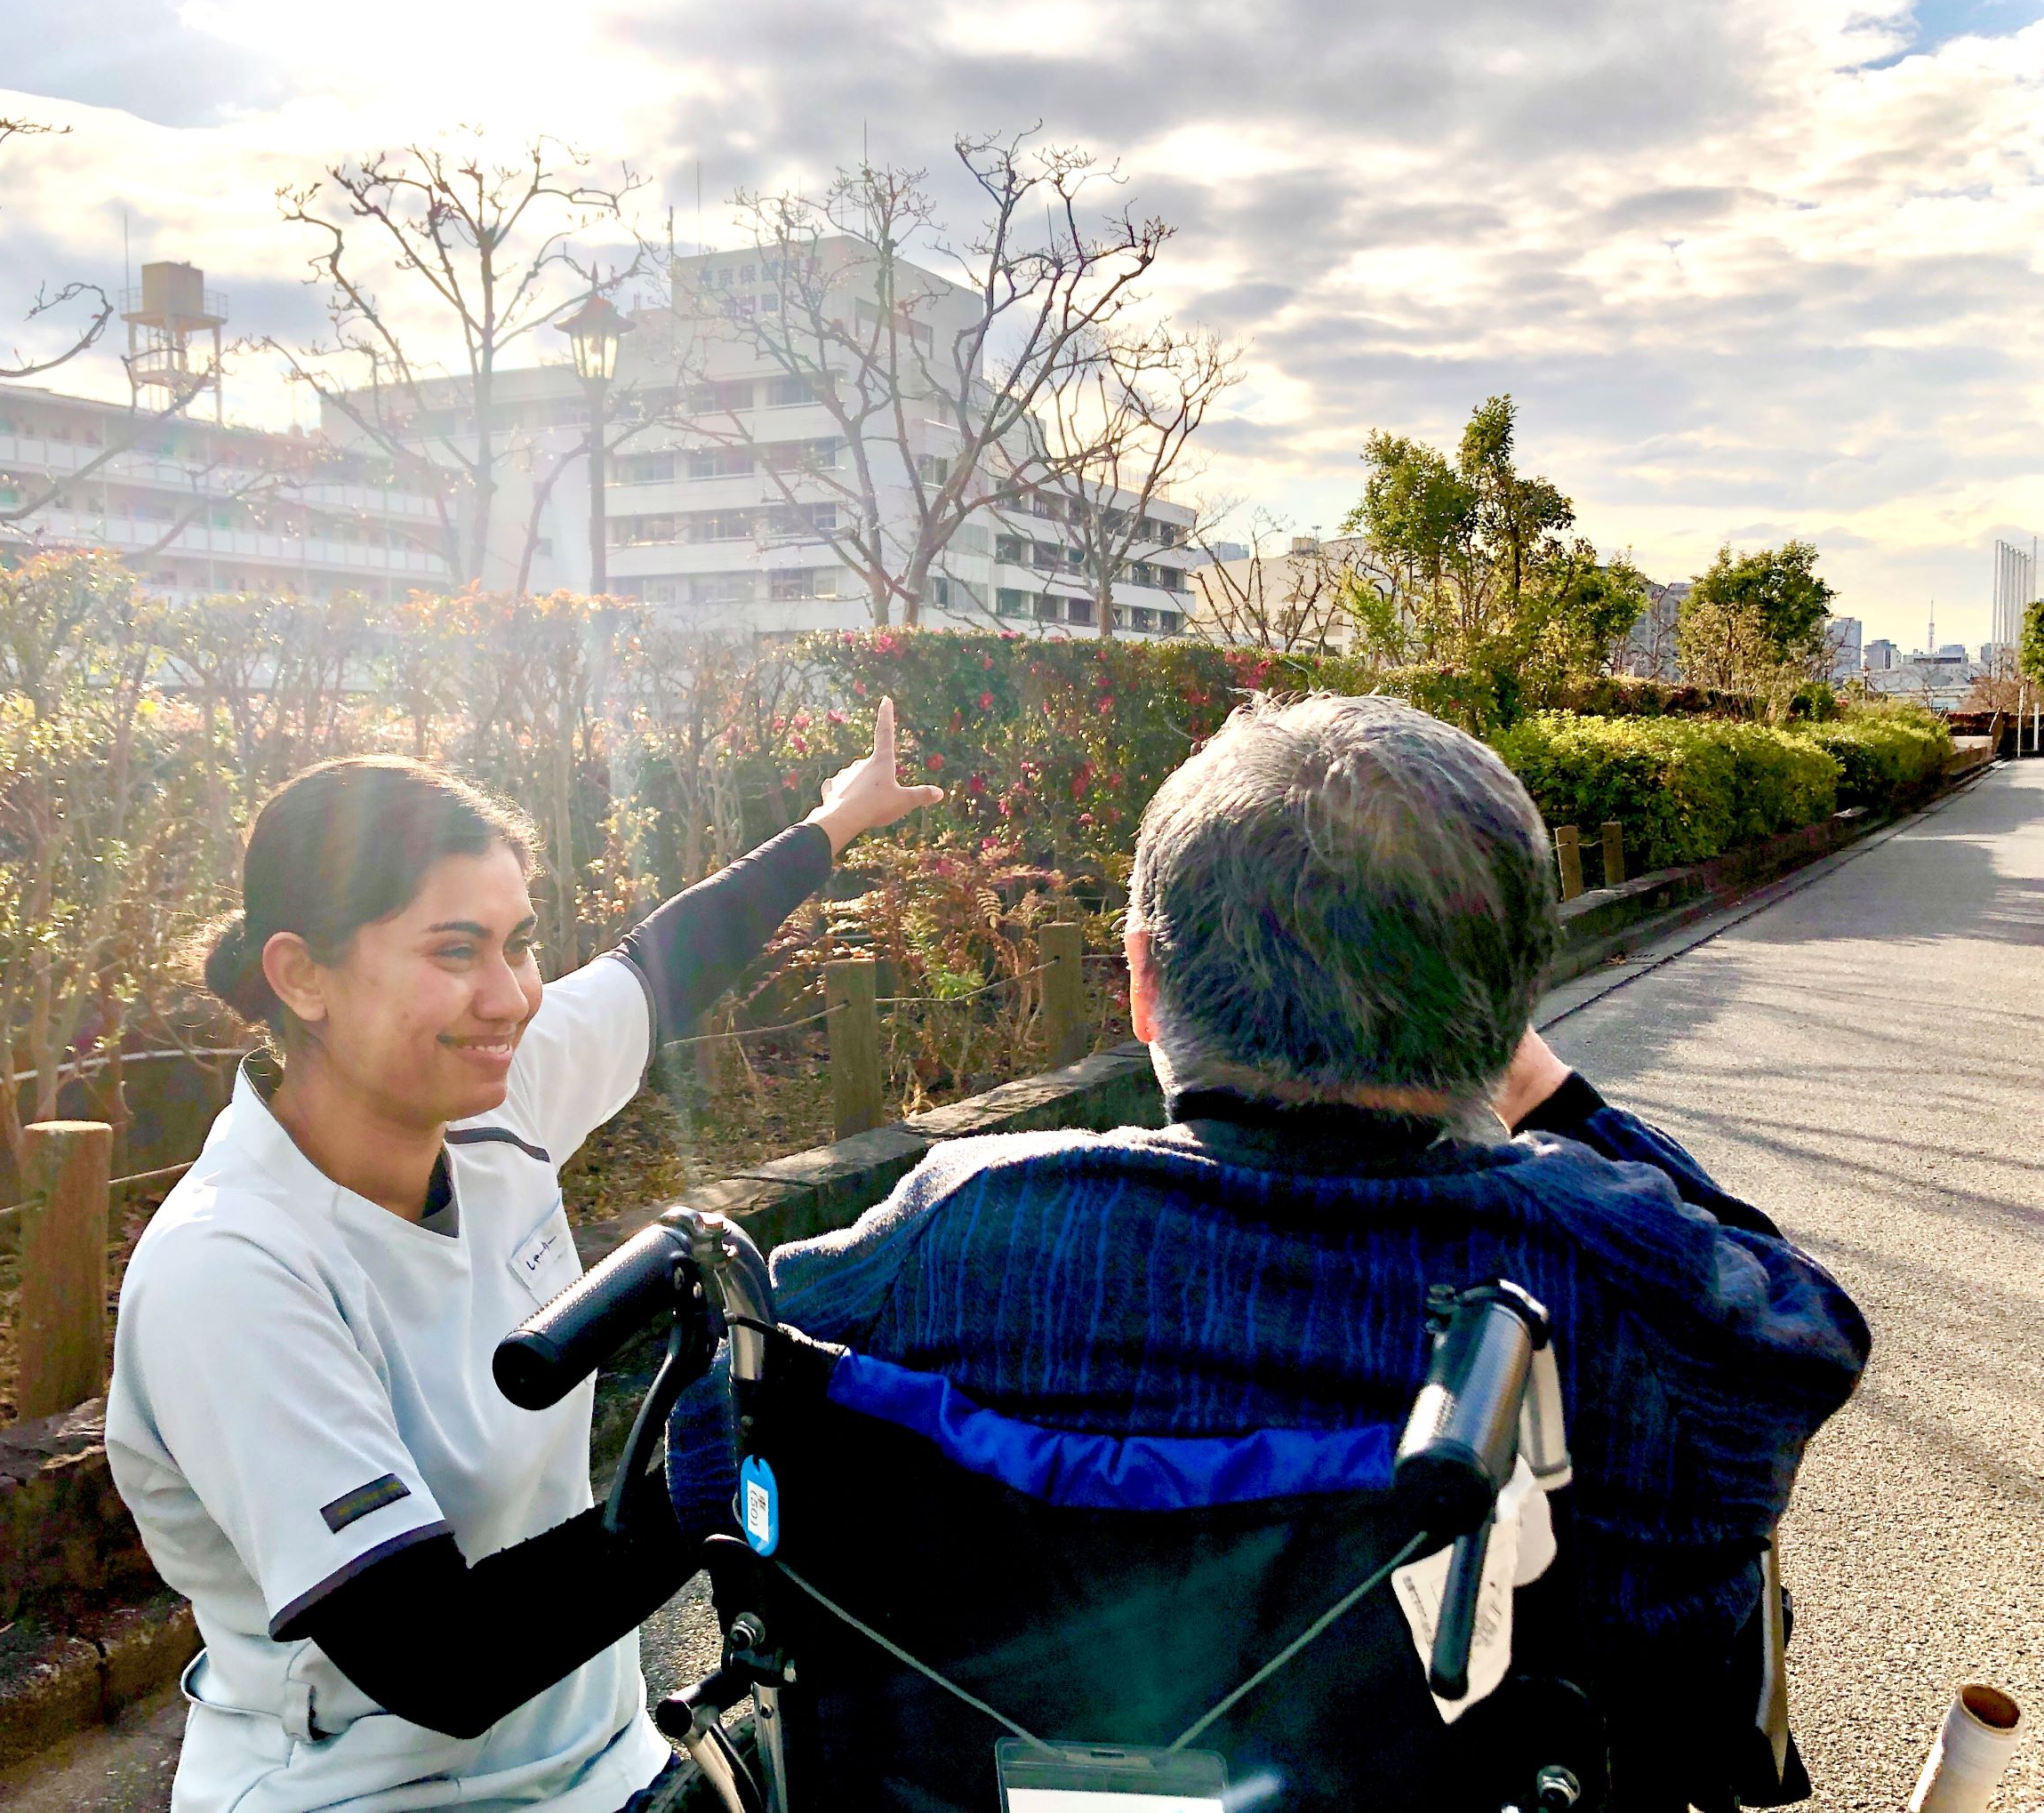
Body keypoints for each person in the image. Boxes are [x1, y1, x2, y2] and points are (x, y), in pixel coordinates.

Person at [666, 694, 1871, 1808]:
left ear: (1141, 980)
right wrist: (1548, 1092)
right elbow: (1800, 1341)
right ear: (1512, 1003)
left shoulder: (957, 1223)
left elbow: (715, 1441)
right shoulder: (1606, 1270)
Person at [106, 702, 940, 1813]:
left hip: (609, 1757)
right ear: (301, 975)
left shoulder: (494, 1089)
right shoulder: (230, 1270)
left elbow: (665, 962)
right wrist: (711, 1477)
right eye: (455, 950)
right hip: (375, 1791)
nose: (510, 996)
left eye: (518, 941)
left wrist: (833, 822)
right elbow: (435, 1654)